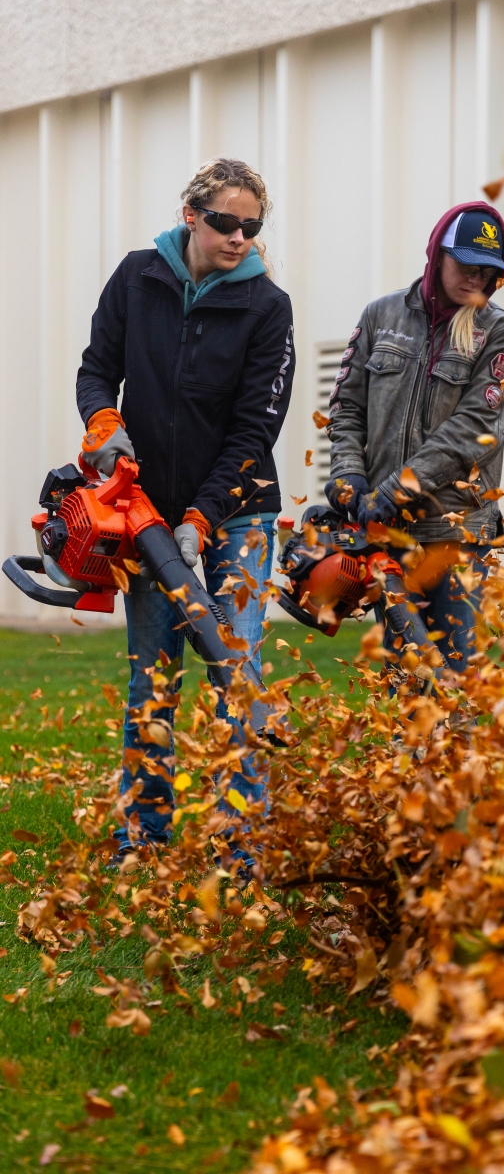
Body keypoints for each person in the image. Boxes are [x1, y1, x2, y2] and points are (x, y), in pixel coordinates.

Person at [76, 157, 295, 866]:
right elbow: (95, 368)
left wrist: (201, 518)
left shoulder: (267, 306)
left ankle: (241, 845)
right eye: (227, 223)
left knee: (236, 668)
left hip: (237, 515)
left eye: (252, 227)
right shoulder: (139, 277)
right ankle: (142, 835)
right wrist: (103, 422)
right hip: (146, 512)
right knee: (153, 678)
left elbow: (254, 430)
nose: (240, 238)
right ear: (191, 216)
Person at [325, 203, 504, 673]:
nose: (475, 280)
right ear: (437, 256)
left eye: (487, 273)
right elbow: (347, 406)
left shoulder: (497, 331)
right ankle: (406, 752)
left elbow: (475, 430)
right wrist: (349, 475)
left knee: (453, 674)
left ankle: (459, 748)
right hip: (389, 532)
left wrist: (395, 490)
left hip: (459, 536)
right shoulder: (381, 316)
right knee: (405, 676)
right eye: (465, 266)